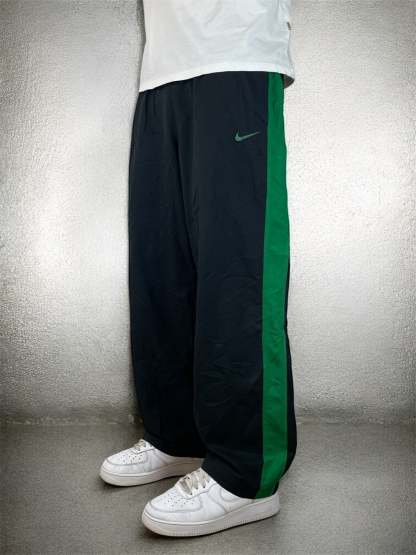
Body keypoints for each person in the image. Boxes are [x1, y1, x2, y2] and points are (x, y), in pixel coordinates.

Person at [100, 0, 297, 537]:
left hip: (237, 52)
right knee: (161, 268)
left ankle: (246, 474)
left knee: (237, 270)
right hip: (162, 68)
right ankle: (178, 437)